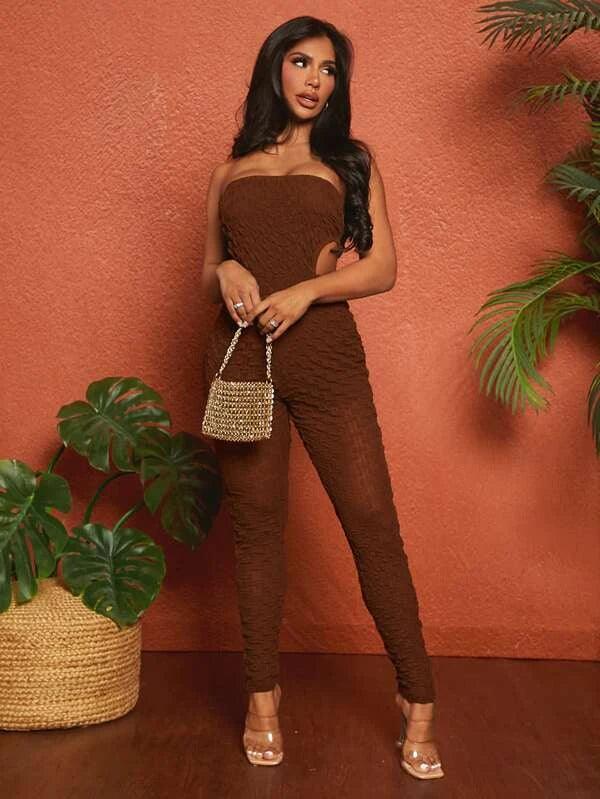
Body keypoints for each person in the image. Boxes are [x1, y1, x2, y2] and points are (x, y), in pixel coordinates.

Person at [200, 15, 444, 781]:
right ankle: (262, 698)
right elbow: (208, 270)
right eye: (301, 63)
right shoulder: (230, 169)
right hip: (242, 360)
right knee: (257, 533)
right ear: (274, 69)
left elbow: (382, 268)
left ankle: (418, 697)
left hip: (327, 357)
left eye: (329, 69)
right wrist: (228, 272)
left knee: (372, 521)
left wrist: (308, 289)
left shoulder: (352, 160)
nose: (314, 80)